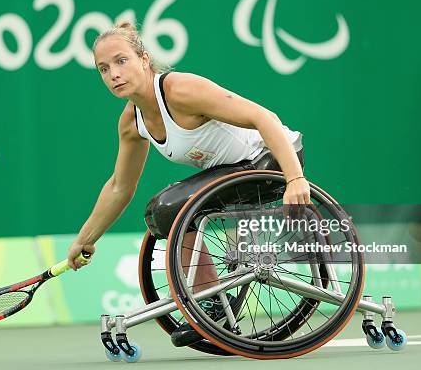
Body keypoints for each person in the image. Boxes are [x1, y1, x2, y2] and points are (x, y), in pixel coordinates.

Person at [66, 22, 309, 347]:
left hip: (270, 159)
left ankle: (210, 304)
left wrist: (295, 178)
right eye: (104, 68)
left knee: (169, 207)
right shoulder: (131, 121)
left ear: (144, 59)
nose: (114, 74)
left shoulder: (179, 90)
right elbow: (119, 187)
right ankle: (212, 299)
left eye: (122, 61)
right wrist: (85, 239)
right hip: (233, 172)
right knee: (162, 211)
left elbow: (264, 117)